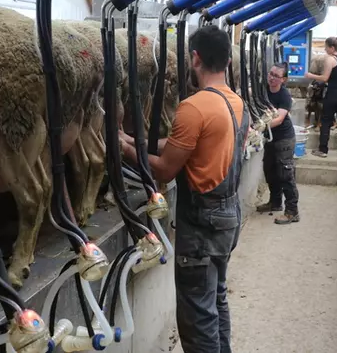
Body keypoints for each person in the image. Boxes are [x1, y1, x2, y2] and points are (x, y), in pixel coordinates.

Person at [119, 24, 249, 353]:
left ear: (194, 58)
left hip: (202, 224)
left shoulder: (193, 107)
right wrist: (139, 141)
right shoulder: (235, 103)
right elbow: (187, 144)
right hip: (228, 216)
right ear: (228, 62)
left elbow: (165, 169)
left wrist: (125, 150)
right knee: (215, 300)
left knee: (196, 316)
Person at [256, 62, 300, 225]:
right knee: (270, 170)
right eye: (270, 74)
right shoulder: (263, 91)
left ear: (284, 80)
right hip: (270, 138)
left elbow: (279, 119)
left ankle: (292, 211)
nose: (272, 78)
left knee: (285, 174)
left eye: (276, 76)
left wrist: (260, 126)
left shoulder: (284, 96)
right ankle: (275, 203)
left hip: (284, 138)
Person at [305, 36, 337, 158]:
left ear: (332, 48)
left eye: (326, 47)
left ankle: (323, 150)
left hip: (333, 94)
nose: (325, 50)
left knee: (326, 121)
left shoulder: (330, 59)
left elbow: (325, 78)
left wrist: (310, 75)